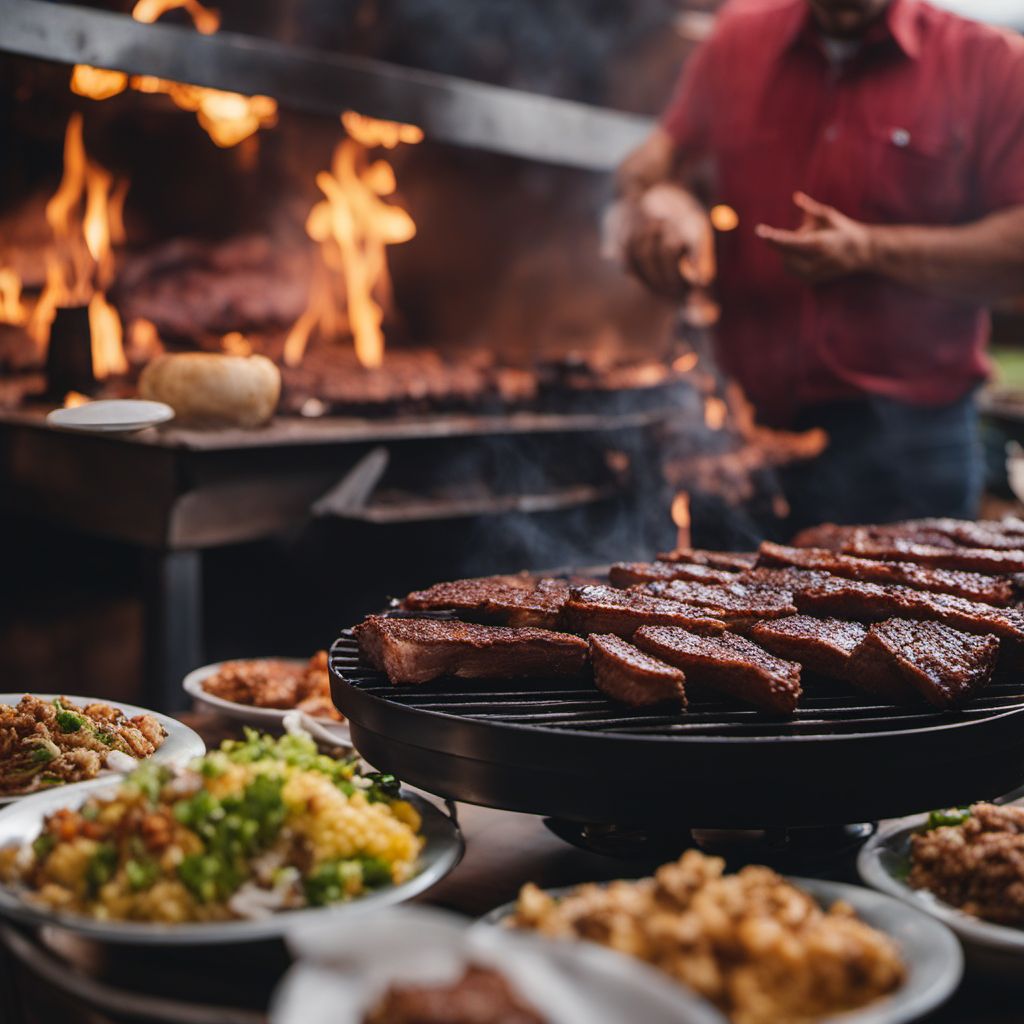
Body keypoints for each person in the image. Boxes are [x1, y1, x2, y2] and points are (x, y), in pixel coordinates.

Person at [616, 0, 1024, 529]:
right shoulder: (737, 38)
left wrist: (870, 249)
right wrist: (664, 206)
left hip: (908, 448)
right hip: (742, 435)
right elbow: (647, 170)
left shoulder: (990, 64)